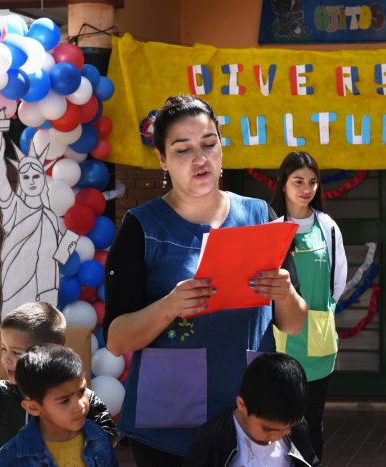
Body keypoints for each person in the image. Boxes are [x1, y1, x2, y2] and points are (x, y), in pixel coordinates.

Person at [103, 95, 307, 465]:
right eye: (183, 150)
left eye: (209, 145)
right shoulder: (141, 227)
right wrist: (169, 307)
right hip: (169, 427)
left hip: (250, 416)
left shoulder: (261, 214)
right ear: (162, 160)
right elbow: (116, 341)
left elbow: (294, 322)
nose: (200, 159)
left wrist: (286, 292)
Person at [0, 302, 118, 466]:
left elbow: (106, 440)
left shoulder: (83, 400)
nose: (6, 359)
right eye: (4, 349)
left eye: (17, 353)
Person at [269, 151, 347, 460]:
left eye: (312, 182)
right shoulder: (272, 226)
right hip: (280, 338)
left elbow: (337, 281)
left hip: (319, 337)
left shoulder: (327, 226)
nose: (306, 189)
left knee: (313, 419)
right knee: (282, 419)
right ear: (283, 184)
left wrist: (321, 313)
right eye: (298, 181)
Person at [0, 128, 78, 318]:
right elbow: (1, 180)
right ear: (20, 180)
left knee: (44, 336)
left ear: (42, 179)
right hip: (17, 284)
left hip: (46, 289)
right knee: (16, 331)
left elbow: (60, 255)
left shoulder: (49, 216)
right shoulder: (13, 208)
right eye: (26, 177)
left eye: (36, 176)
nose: (31, 181)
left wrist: (72, 239)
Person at [185, 352, 320, 467]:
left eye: (287, 429)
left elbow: (311, 462)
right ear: (242, 405)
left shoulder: (298, 428)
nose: (277, 436)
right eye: (267, 429)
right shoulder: (213, 438)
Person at [0, 344, 118, 466]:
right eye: (65, 401)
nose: (80, 405)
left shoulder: (98, 436)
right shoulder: (12, 457)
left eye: (81, 392)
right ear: (34, 407)